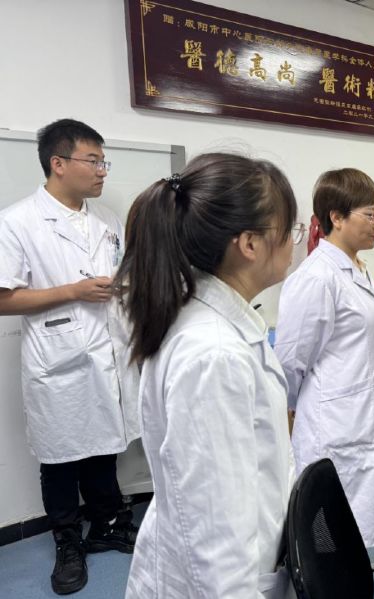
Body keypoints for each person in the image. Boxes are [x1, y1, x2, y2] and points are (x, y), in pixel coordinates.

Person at [119, 153, 300, 598]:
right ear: (250, 244)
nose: (293, 242)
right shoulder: (215, 355)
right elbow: (219, 541)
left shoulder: (210, 320)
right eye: (289, 230)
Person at [0, 119, 139, 595]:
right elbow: (4, 298)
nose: (102, 171)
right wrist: (73, 291)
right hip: (57, 359)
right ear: (58, 164)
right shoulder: (16, 221)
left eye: (103, 161)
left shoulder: (108, 220)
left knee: (103, 444)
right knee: (60, 454)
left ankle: (106, 525)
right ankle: (67, 541)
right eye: (93, 161)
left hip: (107, 351)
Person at [275, 168, 374, 548]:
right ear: (336, 218)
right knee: (326, 536)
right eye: (369, 214)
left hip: (362, 417)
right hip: (333, 426)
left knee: (352, 533)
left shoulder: (355, 266)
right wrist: (296, 409)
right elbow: (290, 361)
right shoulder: (316, 277)